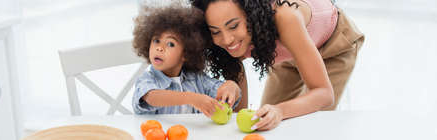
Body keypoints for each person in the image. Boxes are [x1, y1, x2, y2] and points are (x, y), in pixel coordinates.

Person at [190, 0, 364, 130]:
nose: (227, 39)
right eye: (215, 32)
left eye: (234, 26)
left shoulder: (284, 18)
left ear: (253, 16)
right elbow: (238, 103)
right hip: (286, 54)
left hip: (333, 46)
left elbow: (324, 94)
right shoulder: (236, 40)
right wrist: (235, 124)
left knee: (310, 125)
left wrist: (280, 111)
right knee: (266, 120)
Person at [131, 4, 241, 117]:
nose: (159, 48)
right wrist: (191, 98)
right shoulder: (147, 79)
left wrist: (231, 87)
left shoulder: (197, 79)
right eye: (156, 40)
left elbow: (223, 91)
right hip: (157, 134)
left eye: (170, 44)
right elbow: (152, 97)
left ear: (186, 53)